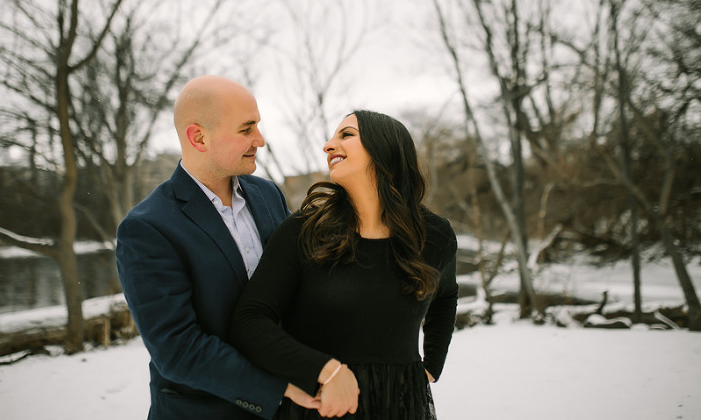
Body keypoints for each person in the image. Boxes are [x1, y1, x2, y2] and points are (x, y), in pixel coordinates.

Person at [229, 110, 459, 419]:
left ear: (384, 147)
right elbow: (249, 321)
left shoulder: (434, 235)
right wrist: (324, 370)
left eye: (346, 135)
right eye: (333, 136)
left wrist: (432, 363)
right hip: (322, 404)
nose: (328, 145)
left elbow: (445, 295)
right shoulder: (303, 231)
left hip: (401, 404)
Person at [116, 75, 319, 419]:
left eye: (258, 126)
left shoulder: (267, 195)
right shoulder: (147, 228)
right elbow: (178, 350)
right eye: (246, 129)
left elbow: (296, 287)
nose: (260, 140)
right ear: (198, 137)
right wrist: (277, 389)